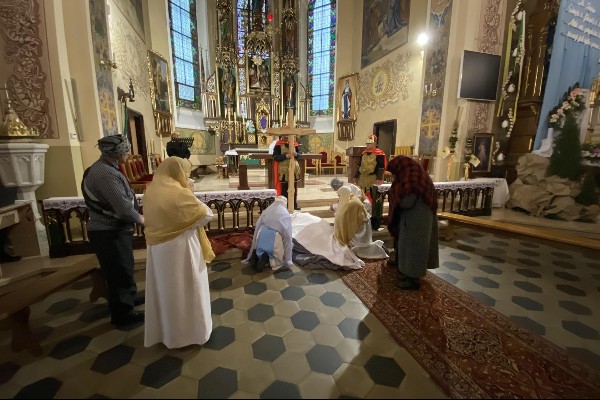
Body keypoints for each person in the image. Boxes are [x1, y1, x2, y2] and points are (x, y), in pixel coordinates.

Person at [142, 157, 215, 348]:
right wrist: (190, 193)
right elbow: (206, 215)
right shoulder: (178, 193)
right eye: (185, 172)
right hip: (181, 248)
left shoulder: (151, 191)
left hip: (158, 250)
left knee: (166, 291)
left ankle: (167, 334)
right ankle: (192, 334)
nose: (186, 176)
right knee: (187, 289)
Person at [81, 135, 145, 327]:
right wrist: (142, 220)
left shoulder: (108, 168)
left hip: (113, 230)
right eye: (126, 150)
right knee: (118, 271)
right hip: (107, 231)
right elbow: (123, 208)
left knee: (124, 267)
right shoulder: (105, 173)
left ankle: (129, 299)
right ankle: (122, 314)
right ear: (117, 153)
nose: (128, 154)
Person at [385, 155, 439, 290]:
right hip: (412, 218)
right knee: (407, 247)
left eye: (394, 172)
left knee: (414, 249)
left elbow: (407, 202)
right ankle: (406, 272)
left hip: (418, 220)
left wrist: (396, 198)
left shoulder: (412, 177)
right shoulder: (411, 173)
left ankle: (412, 280)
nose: (394, 175)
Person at [333, 186, 388, 260]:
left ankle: (378, 248)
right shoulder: (352, 199)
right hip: (362, 229)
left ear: (344, 194)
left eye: (340, 196)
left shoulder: (352, 204)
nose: (339, 198)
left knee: (359, 251)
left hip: (360, 233)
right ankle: (378, 246)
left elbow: (343, 217)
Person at [243, 196, 293, 272]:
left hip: (261, 234)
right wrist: (288, 259)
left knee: (261, 247)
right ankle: (271, 262)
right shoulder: (284, 214)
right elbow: (287, 236)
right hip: (274, 238)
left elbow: (258, 226)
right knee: (278, 248)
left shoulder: (267, 210)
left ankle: (256, 256)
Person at [354, 134, 387, 230]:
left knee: (373, 197)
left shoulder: (379, 153)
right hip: (362, 178)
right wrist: (356, 176)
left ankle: (373, 219)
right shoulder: (363, 153)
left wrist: (379, 178)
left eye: (370, 143)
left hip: (373, 178)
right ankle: (362, 216)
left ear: (374, 143)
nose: (368, 145)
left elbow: (381, 167)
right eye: (367, 143)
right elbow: (359, 166)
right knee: (362, 196)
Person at [273, 136, 302, 210]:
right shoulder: (278, 145)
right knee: (284, 188)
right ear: (282, 136)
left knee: (294, 187)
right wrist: (285, 156)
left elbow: (300, 156)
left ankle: (294, 205)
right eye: (285, 135)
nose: (286, 136)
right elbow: (275, 157)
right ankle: (284, 205)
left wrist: (296, 154)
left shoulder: (295, 144)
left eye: (288, 135)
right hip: (283, 170)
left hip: (294, 170)